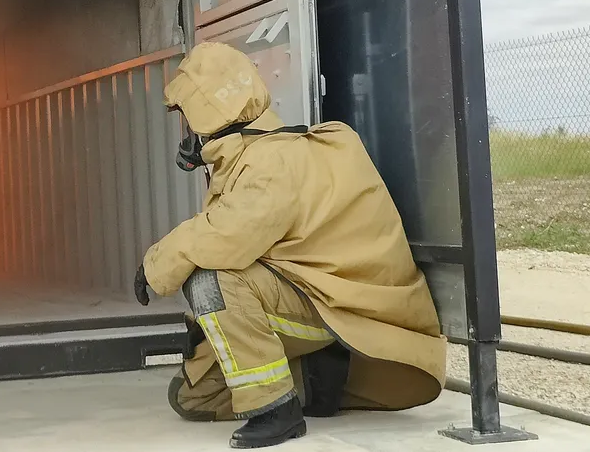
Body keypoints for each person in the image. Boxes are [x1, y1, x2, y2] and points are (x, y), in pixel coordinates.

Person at [133, 42, 446, 449]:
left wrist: (154, 266)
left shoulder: (273, 161)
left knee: (211, 279)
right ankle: (320, 378)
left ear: (209, 115)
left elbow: (223, 238)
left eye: (188, 119)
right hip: (323, 301)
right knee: (194, 398)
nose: (186, 133)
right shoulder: (261, 154)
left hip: (350, 310)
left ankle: (276, 411)